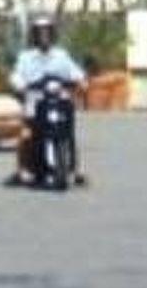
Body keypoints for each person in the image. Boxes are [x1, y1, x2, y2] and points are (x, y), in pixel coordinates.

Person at [6, 16, 87, 188]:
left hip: (59, 98)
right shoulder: (26, 57)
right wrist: (20, 85)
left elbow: (75, 72)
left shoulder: (61, 55)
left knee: (68, 131)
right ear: (34, 36)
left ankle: (75, 170)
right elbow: (16, 76)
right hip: (35, 98)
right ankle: (21, 170)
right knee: (26, 133)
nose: (44, 36)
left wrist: (81, 80)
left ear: (52, 34)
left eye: (47, 32)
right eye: (40, 33)